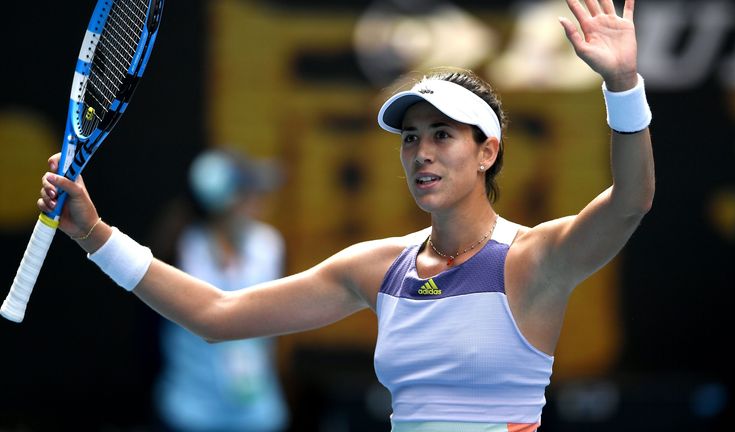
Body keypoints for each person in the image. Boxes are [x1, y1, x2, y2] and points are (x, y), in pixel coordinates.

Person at [38, 1, 654, 430]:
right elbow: (217, 316)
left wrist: (623, 84)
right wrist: (94, 234)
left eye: (443, 135)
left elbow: (631, 200)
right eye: (411, 138)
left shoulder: (536, 260)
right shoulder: (377, 268)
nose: (422, 153)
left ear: (487, 150)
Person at [153, 150, 288, 432]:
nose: (259, 202)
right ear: (227, 200)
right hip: (190, 411)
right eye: (250, 193)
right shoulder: (180, 247)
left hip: (257, 414)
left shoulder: (268, 245)